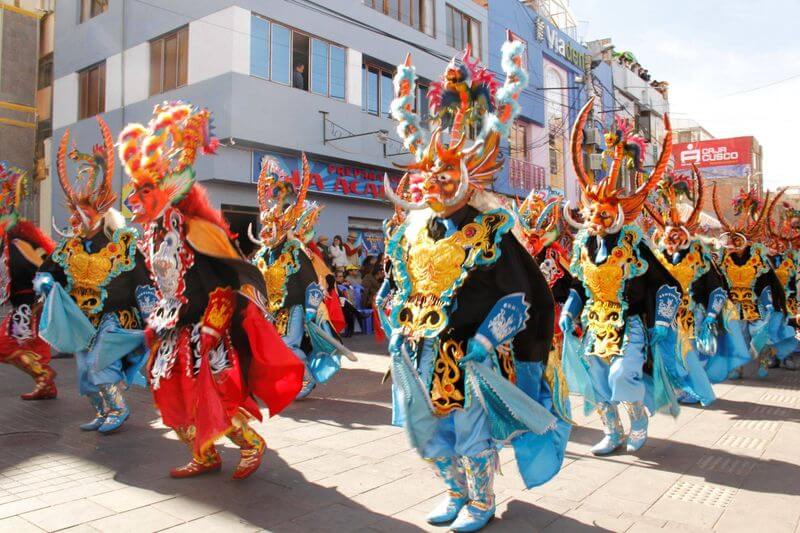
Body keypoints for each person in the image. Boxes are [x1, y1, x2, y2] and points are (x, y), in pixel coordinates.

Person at [378, 41, 569, 532]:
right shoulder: (412, 230)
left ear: (467, 175)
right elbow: (397, 284)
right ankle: (453, 491)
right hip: (421, 349)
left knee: (469, 431)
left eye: (446, 173)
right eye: (430, 174)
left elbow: (519, 298)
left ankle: (481, 502)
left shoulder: (490, 230)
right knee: (426, 434)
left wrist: (483, 344)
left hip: (470, 354)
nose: (435, 182)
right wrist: (390, 314)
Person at [119, 102, 304, 479]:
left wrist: (212, 328)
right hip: (172, 326)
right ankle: (203, 454)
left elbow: (223, 282)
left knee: (216, 393)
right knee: (167, 393)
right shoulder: (153, 234)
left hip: (205, 328)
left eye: (143, 190)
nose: (133, 200)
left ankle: (250, 443)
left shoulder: (194, 228)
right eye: (134, 191)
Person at [560, 97, 682, 456]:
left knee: (620, 375)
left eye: (602, 213)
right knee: (597, 382)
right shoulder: (583, 245)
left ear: (617, 213)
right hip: (594, 324)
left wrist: (660, 322)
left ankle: (638, 420)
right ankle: (612, 431)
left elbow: (666, 285)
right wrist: (569, 310)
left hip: (628, 324)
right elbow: (579, 285)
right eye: (591, 212)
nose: (595, 218)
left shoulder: (633, 244)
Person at [35, 117, 155, 434]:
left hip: (116, 320)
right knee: (84, 374)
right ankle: (101, 411)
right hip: (81, 321)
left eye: (82, 213)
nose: (75, 219)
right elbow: (47, 271)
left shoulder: (123, 245)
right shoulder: (68, 247)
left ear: (99, 213)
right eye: (73, 213)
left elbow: (142, 283)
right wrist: (44, 283)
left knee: (98, 365)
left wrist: (152, 319)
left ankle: (118, 409)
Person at [248, 153, 355, 400]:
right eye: (265, 228)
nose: (267, 232)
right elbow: (253, 280)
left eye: (271, 228)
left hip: (292, 308)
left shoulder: (295, 250)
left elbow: (311, 283)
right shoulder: (263, 254)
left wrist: (310, 310)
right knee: (265, 348)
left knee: (287, 345)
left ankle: (305, 379)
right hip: (270, 310)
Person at [643, 166, 735, 405]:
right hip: (661, 316)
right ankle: (677, 390)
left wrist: (711, 316)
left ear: (685, 236)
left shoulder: (697, 256)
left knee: (687, 356)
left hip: (687, 315)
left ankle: (701, 392)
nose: (671, 241)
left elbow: (716, 288)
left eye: (676, 236)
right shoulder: (658, 255)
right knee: (665, 356)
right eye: (667, 236)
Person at [711, 185, 795, 377]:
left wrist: (772, 303)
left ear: (745, 242)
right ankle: (736, 367)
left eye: (737, 242)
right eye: (730, 242)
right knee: (738, 338)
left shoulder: (758, 258)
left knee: (760, 335)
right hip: (734, 305)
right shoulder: (723, 259)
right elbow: (718, 282)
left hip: (756, 305)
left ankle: (765, 358)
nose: (732, 246)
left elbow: (768, 282)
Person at [0, 162, 57, 401]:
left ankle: (44, 375)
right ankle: (46, 387)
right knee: (36, 346)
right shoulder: (9, 236)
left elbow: (45, 263)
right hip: (28, 302)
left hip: (29, 303)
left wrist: (38, 298)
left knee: (4, 344)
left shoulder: (19, 235)